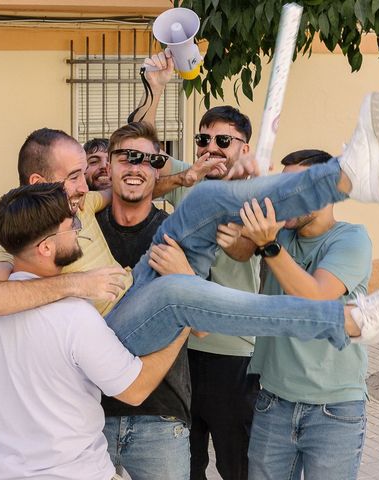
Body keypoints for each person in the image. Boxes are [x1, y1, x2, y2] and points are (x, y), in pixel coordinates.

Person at [0, 93, 379, 363]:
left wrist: (186, 179)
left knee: (204, 199)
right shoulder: (6, 231)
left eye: (87, 172)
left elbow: (137, 184)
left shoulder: (75, 202)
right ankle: (352, 320)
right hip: (109, 334)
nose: (90, 183)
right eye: (75, 177)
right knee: (175, 291)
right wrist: (77, 284)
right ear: (40, 184)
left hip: (132, 292)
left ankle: (344, 176)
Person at [0, 182, 190, 480]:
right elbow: (136, 389)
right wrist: (183, 324)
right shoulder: (74, 316)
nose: (78, 227)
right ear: (46, 247)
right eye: (70, 224)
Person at [133, 52, 262, 480]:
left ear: (244, 147)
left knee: (236, 464)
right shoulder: (190, 180)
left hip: (232, 352)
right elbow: (139, 152)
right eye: (203, 140)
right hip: (181, 352)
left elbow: (245, 250)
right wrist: (156, 88)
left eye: (223, 141)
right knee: (186, 467)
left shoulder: (256, 194)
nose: (210, 149)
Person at [237, 149, 372, 479]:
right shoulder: (280, 232)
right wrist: (242, 194)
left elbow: (315, 295)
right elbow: (237, 251)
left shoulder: (351, 239)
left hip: (334, 411)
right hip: (273, 402)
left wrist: (269, 246)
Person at [96, 122, 192, 479]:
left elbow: (201, 329)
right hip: (90, 413)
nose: (136, 167)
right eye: (127, 157)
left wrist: (184, 276)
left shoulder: (177, 233)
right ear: (109, 166)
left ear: (157, 170)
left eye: (148, 160)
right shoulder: (83, 231)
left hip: (160, 415)